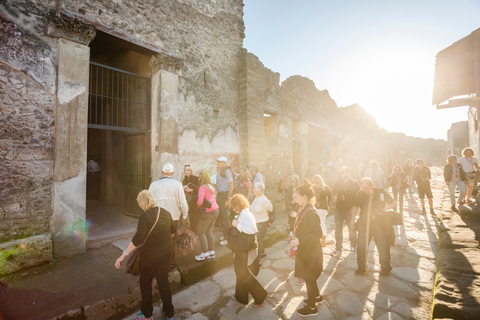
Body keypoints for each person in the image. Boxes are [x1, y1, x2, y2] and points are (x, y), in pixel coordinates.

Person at [115, 190, 176, 320]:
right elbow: (173, 232)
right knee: (163, 282)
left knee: (145, 283)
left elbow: (138, 239)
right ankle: (169, 314)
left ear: (142, 203)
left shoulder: (145, 216)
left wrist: (123, 255)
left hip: (149, 256)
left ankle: (147, 315)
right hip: (166, 253)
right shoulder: (165, 212)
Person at [289, 181, 324, 317]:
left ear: (304, 197)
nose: (294, 199)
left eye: (296, 197)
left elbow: (318, 234)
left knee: (309, 278)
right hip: (306, 250)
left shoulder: (312, 212)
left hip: (311, 252)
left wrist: (300, 240)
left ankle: (311, 308)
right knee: (309, 277)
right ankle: (316, 297)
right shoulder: (304, 207)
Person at [352, 178, 395, 278]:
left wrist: (384, 209)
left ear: (372, 185)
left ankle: (385, 269)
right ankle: (362, 268)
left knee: (382, 247)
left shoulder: (381, 192)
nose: (364, 190)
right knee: (361, 247)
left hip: (380, 224)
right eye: (362, 188)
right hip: (364, 223)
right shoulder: (360, 193)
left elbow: (393, 203)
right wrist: (352, 220)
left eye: (366, 188)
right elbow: (355, 206)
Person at [230, 194, 267, 308]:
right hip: (242, 247)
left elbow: (253, 229)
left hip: (244, 248)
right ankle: (240, 296)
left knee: (242, 272)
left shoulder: (245, 214)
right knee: (240, 271)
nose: (232, 208)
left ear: (237, 205)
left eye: (233, 206)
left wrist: (238, 225)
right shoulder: (244, 213)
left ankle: (260, 296)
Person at [148, 163, 189, 266]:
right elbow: (183, 202)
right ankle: (170, 263)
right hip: (173, 218)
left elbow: (148, 202)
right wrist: (184, 215)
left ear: (162, 172)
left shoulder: (154, 184)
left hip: (157, 217)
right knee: (172, 240)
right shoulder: (177, 184)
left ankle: (158, 261)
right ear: (172, 173)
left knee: (159, 239)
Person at [331, 167, 360, 257]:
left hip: (349, 210)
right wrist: (334, 202)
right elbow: (333, 192)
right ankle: (338, 248)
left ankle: (353, 246)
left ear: (348, 173)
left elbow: (359, 196)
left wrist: (354, 208)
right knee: (338, 229)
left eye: (343, 172)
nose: (341, 174)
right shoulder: (338, 182)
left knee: (351, 228)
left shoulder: (354, 184)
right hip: (339, 209)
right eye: (341, 172)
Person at [195, 170, 220, 261]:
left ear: (202, 178)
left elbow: (200, 202)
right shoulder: (211, 186)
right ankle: (211, 252)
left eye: (199, 176)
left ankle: (205, 253)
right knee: (208, 231)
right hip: (215, 210)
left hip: (208, 212)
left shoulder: (202, 187)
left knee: (200, 232)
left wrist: (196, 208)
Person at [250, 182, 273, 258]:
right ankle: (262, 252)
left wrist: (270, 221)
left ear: (258, 191)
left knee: (258, 240)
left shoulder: (264, 200)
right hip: (255, 222)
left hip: (262, 223)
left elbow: (271, 208)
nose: (253, 189)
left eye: (254, 188)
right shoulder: (255, 197)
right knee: (258, 239)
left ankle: (258, 259)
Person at [216, 156, 235, 246]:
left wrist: (228, 199)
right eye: (218, 162)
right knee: (222, 217)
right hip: (220, 195)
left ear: (224, 163)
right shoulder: (220, 171)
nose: (218, 163)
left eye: (220, 162)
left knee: (225, 218)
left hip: (225, 195)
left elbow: (231, 186)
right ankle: (225, 235)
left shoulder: (227, 171)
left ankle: (228, 238)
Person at [312, 175, 332, 246]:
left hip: (323, 208)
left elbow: (330, 196)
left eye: (317, 182)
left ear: (320, 182)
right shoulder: (313, 188)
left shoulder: (325, 188)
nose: (315, 184)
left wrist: (329, 205)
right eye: (314, 182)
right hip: (314, 207)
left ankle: (324, 239)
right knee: (315, 223)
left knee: (321, 223)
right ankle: (316, 238)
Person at [182, 165, 199, 234]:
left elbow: (200, 189)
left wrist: (191, 190)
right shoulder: (184, 179)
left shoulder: (195, 178)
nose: (187, 171)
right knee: (190, 216)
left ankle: (196, 232)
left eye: (188, 170)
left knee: (195, 217)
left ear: (191, 171)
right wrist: (183, 188)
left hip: (195, 199)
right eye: (185, 170)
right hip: (188, 200)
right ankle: (192, 232)